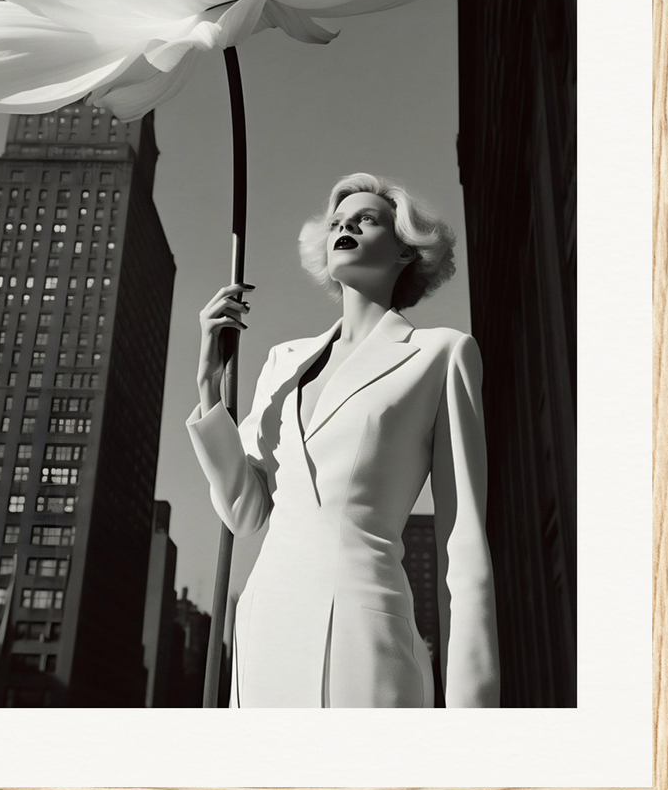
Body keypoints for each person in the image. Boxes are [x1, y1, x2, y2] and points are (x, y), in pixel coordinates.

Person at [187, 173, 499, 708]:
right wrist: (209, 389)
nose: (345, 226)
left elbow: (463, 545)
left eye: (366, 219)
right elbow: (246, 514)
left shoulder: (442, 354)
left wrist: (473, 717)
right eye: (336, 222)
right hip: (263, 635)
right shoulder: (283, 362)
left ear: (405, 250)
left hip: (365, 639)